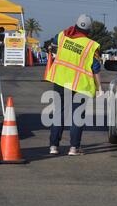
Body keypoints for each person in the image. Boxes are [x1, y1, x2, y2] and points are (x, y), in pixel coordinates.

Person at [44, 14, 103, 156]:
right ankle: (73, 148)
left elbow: (51, 47)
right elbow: (95, 68)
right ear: (89, 30)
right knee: (77, 116)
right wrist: (100, 87)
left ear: (75, 25)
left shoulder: (62, 36)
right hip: (81, 85)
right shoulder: (91, 46)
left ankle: (53, 146)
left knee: (58, 113)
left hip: (61, 80)